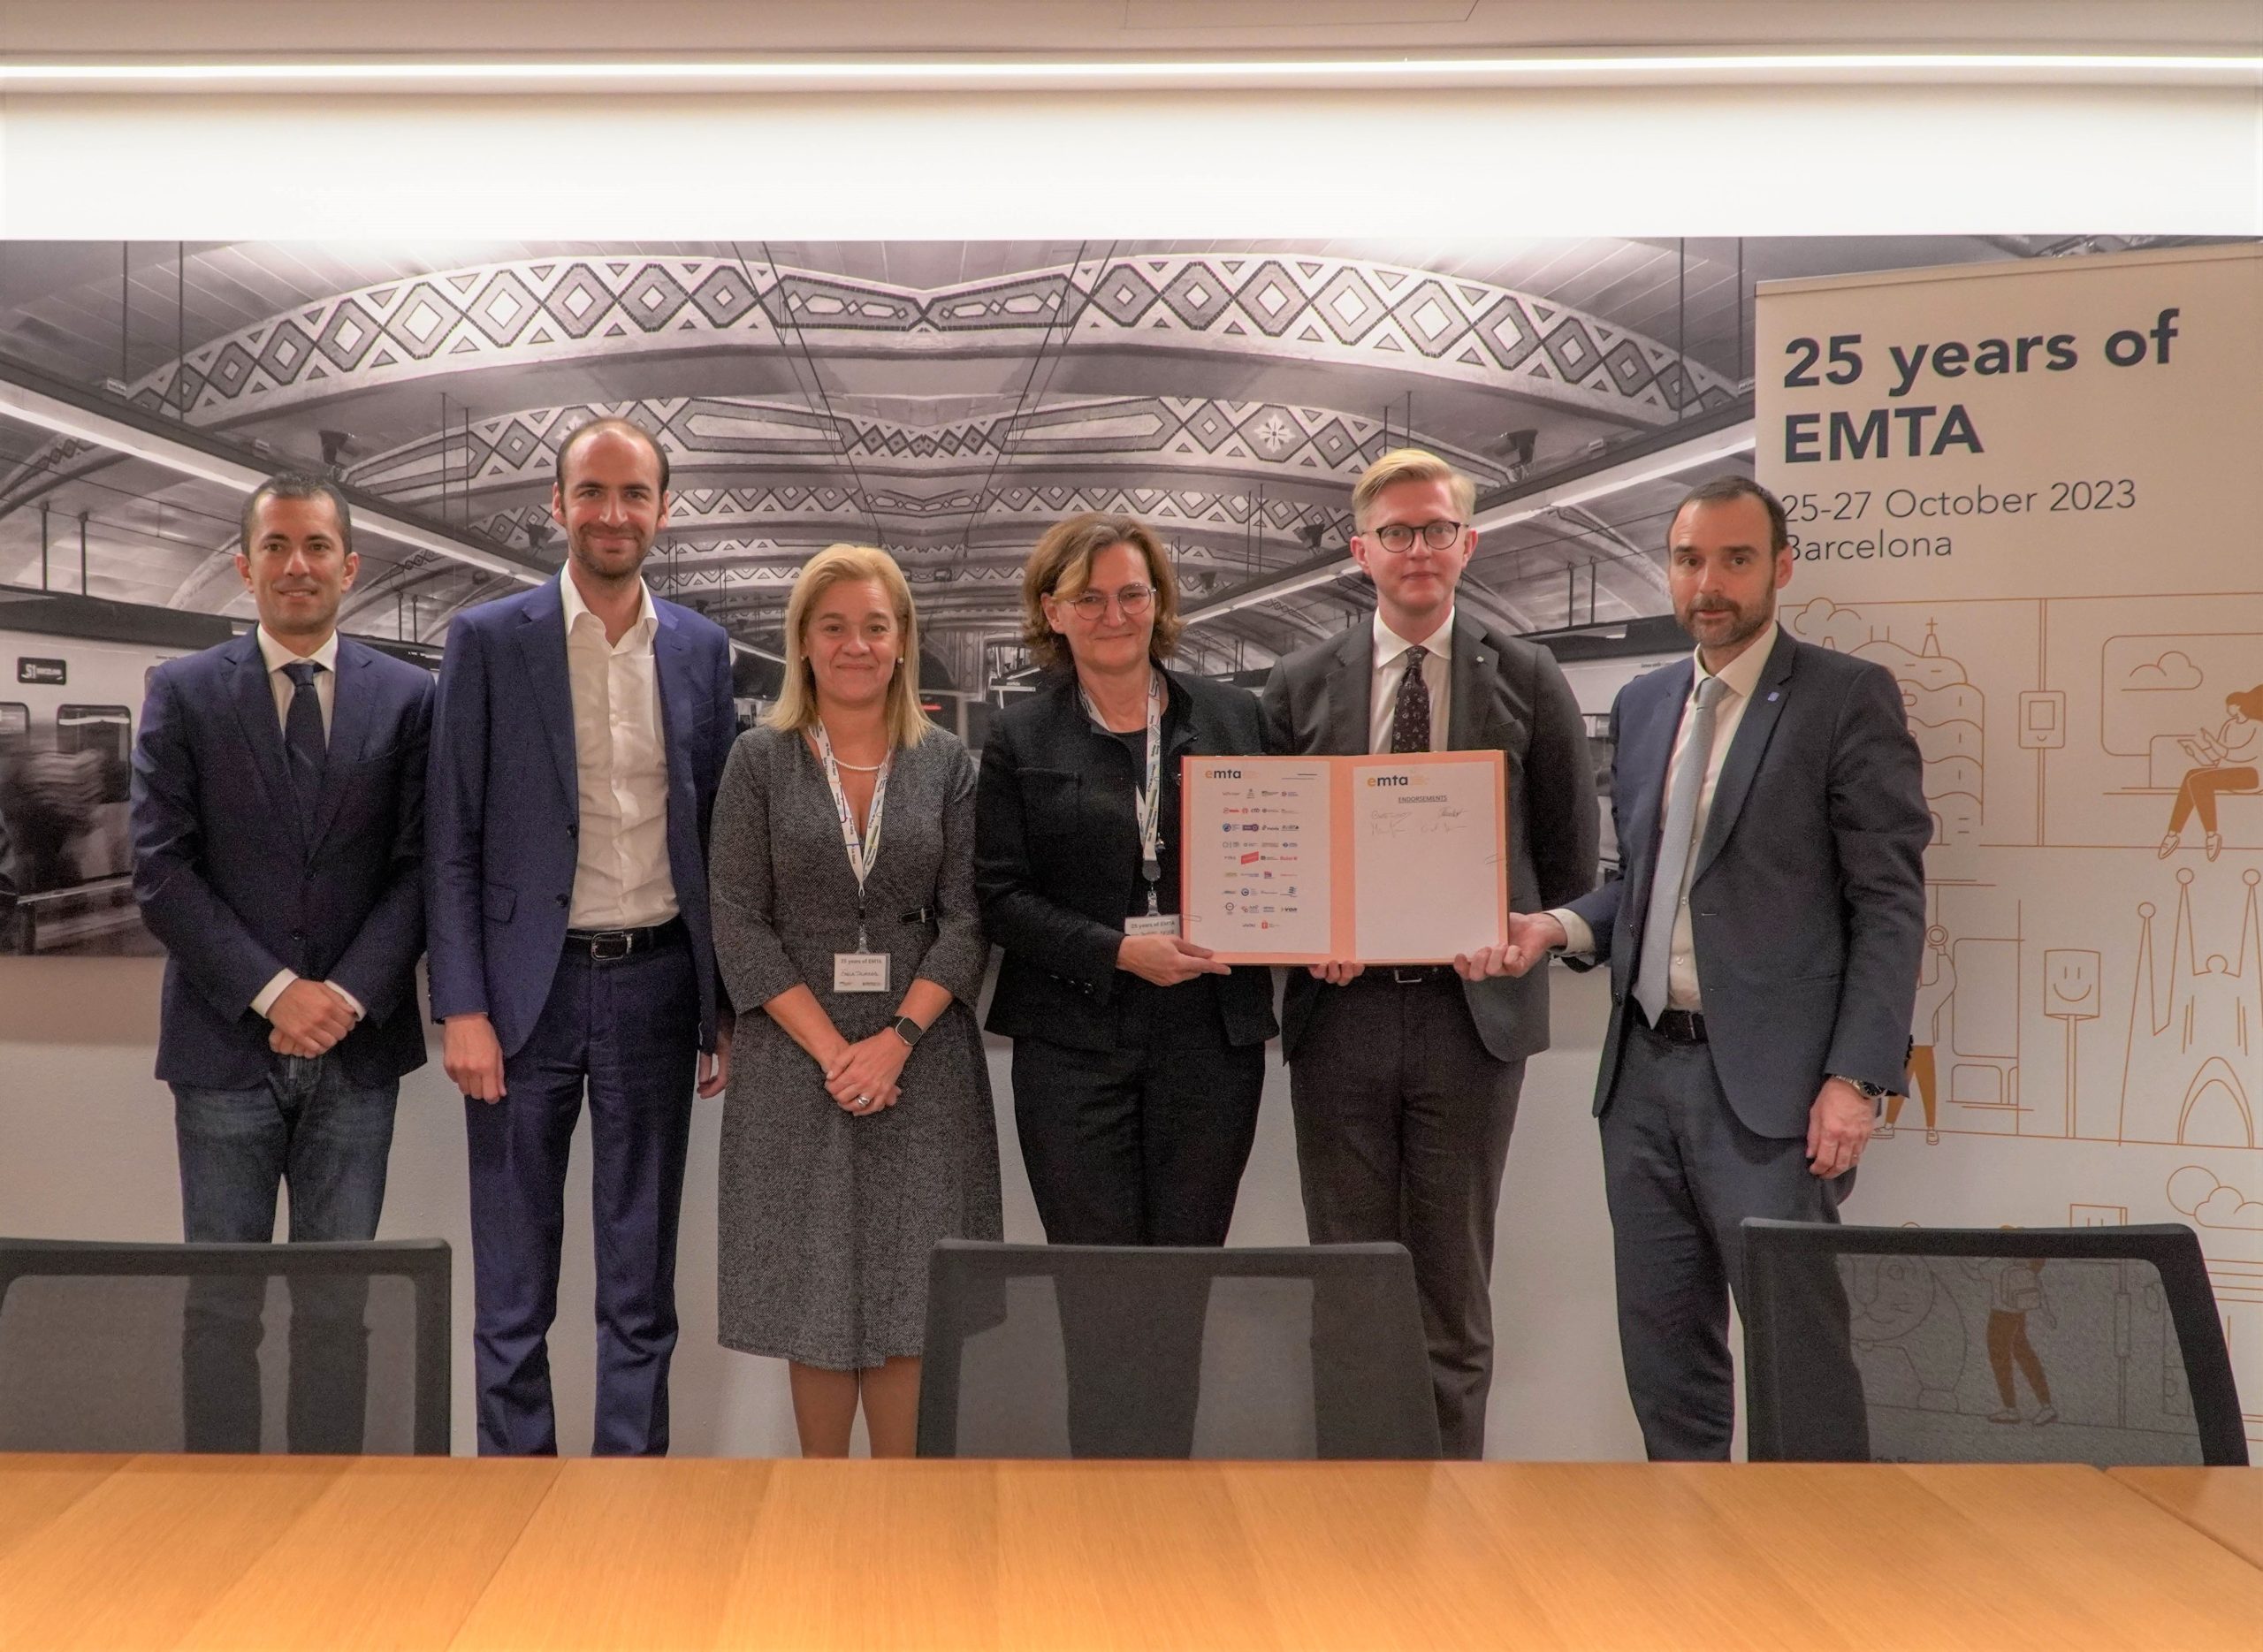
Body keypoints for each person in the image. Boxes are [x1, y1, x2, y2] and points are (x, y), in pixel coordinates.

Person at [1503, 475, 1931, 1461]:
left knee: (1799, 1359)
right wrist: (1558, 927)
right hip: (1643, 1078)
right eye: (1691, 559)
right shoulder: (1651, 703)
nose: (1711, 582)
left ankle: (1818, 1581)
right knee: (1664, 1353)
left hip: (1776, 1095)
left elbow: (1889, 902)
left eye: (1736, 559)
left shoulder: (1842, 698)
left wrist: (1856, 1078)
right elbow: (1648, 884)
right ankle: (1688, 1571)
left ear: (1780, 568)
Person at [1259, 446, 1597, 1459]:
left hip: (1469, 1022)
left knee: (1452, 1285)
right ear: (1361, 551)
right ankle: (1354, 1511)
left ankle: (1451, 1517)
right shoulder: (1298, 680)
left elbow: (1566, 856)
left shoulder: (1528, 676)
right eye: (1397, 532)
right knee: (1351, 1276)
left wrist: (1521, 932)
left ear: (1468, 542)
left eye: (1437, 529)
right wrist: (1295, 934)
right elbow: (1273, 844)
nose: (1418, 549)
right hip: (1341, 1019)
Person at [426, 416, 736, 1457]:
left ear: (662, 509)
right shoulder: (486, 640)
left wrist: (716, 1002)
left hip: (655, 990)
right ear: (556, 507)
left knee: (639, 1282)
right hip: (524, 1001)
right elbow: (451, 836)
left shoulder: (698, 647)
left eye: (635, 494)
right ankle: (519, 1495)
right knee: (513, 1285)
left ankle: (628, 1495)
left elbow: (708, 835)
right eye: (592, 493)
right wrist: (461, 1006)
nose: (613, 513)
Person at [129, 472, 433, 1450]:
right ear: (243, 565)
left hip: (357, 1051)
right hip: (224, 1050)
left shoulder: (410, 698)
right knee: (221, 1306)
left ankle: (326, 1514)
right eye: (276, 547)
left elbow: (425, 867)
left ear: (350, 566)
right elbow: (161, 870)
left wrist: (341, 995)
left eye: (315, 548)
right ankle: (220, 1516)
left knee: (338, 1308)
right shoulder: (182, 692)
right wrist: (274, 995)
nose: (296, 566)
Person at [975, 511, 1275, 1455]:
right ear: (1052, 612)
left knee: (1183, 1285)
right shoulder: (1018, 737)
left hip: (1208, 1047)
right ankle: (1101, 1506)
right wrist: (1114, 950)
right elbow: (998, 898)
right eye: (1091, 597)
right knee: (1095, 1288)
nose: (1116, 613)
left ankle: (1168, 1500)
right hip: (1072, 1048)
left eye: (1133, 593)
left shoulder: (1234, 718)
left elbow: (1281, 854)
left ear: (1160, 603)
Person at [710, 545, 999, 1458]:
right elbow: (736, 920)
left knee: (913, 1287)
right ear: (802, 642)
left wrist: (895, 1040)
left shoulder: (947, 762)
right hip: (797, 1061)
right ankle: (824, 1518)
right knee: (817, 1283)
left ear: (903, 640)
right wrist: (837, 1050)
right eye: (832, 626)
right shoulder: (757, 761)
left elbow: (967, 920)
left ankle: (904, 1526)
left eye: (875, 626)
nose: (855, 644)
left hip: (923, 1063)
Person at [2159, 685, 2263, 861]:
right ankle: (2173, 833)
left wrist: (2211, 742)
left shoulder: (2258, 727)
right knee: (2191, 775)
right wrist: (2198, 751)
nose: (2227, 708)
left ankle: (2212, 835)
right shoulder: (2229, 725)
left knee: (2199, 781)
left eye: (2230, 704)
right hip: (2230, 772)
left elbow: (2239, 755)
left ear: (2239, 705)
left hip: (2253, 775)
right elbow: (2220, 760)